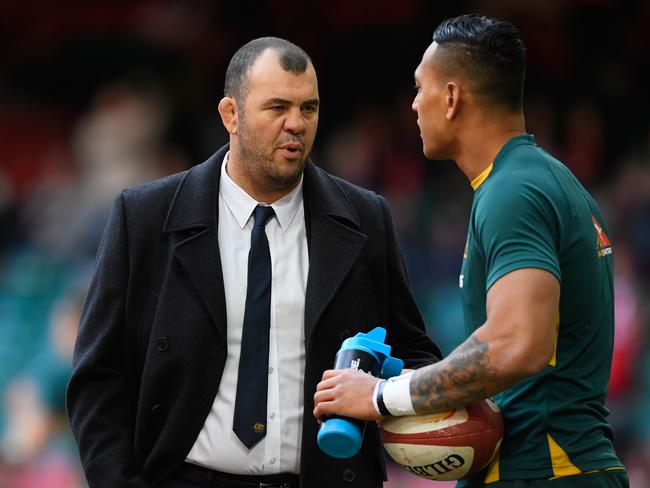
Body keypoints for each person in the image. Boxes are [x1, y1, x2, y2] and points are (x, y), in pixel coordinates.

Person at [66, 37, 441, 488]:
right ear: (231, 115)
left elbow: (416, 353)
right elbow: (98, 376)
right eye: (277, 107)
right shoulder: (144, 216)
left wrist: (381, 391)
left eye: (308, 108)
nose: (296, 124)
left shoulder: (365, 218)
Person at [313, 14, 628, 488]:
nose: (414, 104)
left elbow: (516, 345)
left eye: (420, 88)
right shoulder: (543, 181)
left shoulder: (513, 191)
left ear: (453, 97)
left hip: (543, 472)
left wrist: (383, 396)